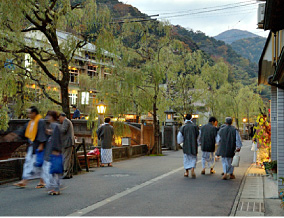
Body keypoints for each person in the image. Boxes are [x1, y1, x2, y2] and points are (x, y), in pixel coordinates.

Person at [4, 106, 47, 188]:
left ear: (34, 113)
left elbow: (42, 133)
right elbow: (22, 131)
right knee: (31, 163)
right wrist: (14, 135)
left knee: (34, 164)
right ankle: (40, 181)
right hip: (31, 146)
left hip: (37, 147)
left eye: (30, 113)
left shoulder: (40, 122)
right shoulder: (30, 123)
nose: (28, 114)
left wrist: (41, 144)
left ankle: (25, 181)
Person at [42, 111, 62, 195]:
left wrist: (56, 149)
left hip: (53, 151)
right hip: (50, 151)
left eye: (49, 116)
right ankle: (54, 187)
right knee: (52, 171)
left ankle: (55, 188)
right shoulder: (51, 126)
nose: (47, 117)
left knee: (52, 171)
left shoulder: (55, 126)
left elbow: (57, 139)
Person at [177, 114, 199, 178]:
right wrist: (197, 142)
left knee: (186, 158)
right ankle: (192, 168)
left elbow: (179, 137)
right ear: (191, 119)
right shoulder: (195, 127)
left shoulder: (183, 127)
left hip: (186, 144)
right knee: (193, 157)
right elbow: (198, 136)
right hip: (194, 144)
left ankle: (186, 172)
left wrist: (181, 143)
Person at [59, 113, 75, 179]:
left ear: (62, 117)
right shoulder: (68, 121)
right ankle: (69, 173)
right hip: (69, 142)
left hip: (67, 142)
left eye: (59, 118)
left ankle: (66, 173)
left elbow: (63, 130)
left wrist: (56, 129)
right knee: (68, 158)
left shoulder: (66, 121)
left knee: (66, 158)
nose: (59, 120)